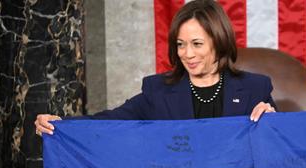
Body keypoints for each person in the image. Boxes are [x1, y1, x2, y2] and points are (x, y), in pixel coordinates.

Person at [34, 0, 275, 136]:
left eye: (197, 44)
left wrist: (274, 121)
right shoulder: (157, 90)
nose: (187, 54)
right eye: (180, 44)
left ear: (219, 42)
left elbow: (284, 143)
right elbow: (110, 121)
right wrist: (62, 124)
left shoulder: (256, 88)